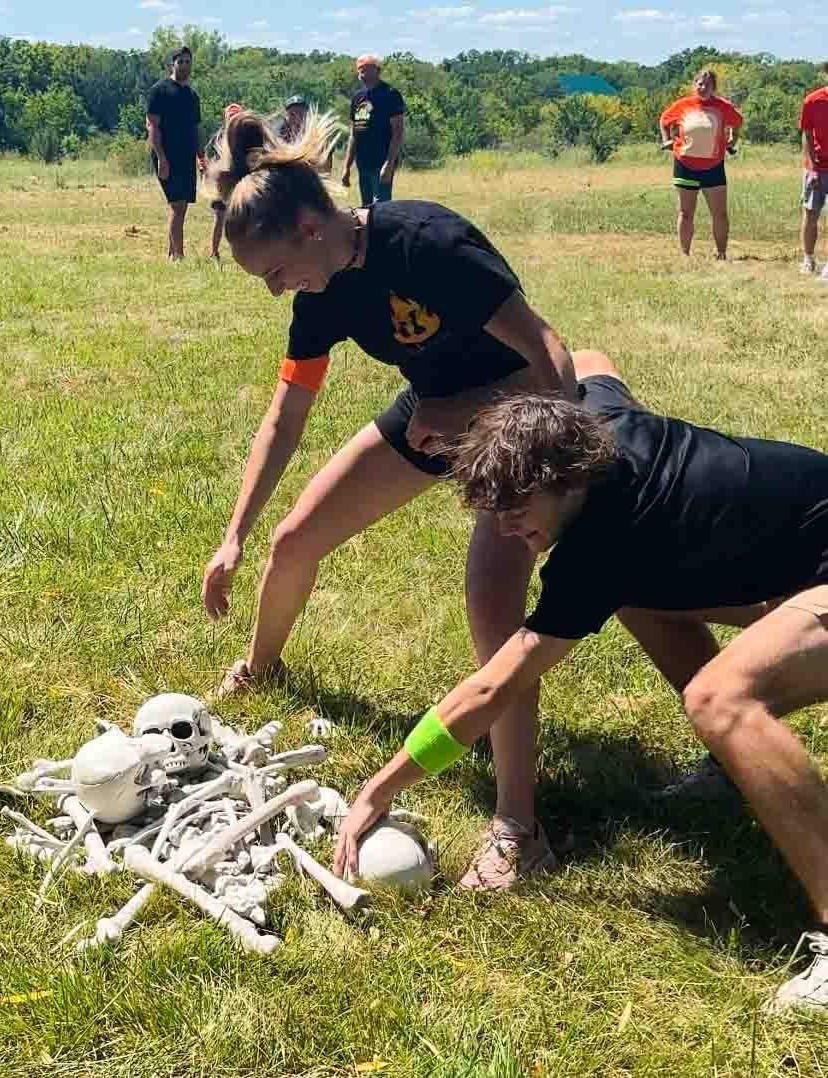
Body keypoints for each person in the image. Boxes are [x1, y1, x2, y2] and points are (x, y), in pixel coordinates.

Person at [201, 109, 653, 888]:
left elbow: (548, 354)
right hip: (437, 411)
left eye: (274, 271)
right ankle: (260, 669)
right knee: (295, 539)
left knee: (490, 598)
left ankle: (519, 824)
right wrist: (234, 533)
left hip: (532, 409)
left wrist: (518, 447)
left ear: (311, 227)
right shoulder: (324, 294)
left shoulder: (427, 242)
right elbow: (288, 415)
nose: (277, 292)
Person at [334, 360, 828, 1014]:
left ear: (558, 479)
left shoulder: (602, 541)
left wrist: (382, 784)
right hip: (801, 559)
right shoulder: (593, 423)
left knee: (721, 698)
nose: (508, 530)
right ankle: (735, 764)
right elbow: (595, 364)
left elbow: (489, 691)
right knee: (640, 597)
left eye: (516, 508)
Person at [659, 69, 742, 260]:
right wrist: (666, 140)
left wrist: (732, 140)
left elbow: (737, 122)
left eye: (708, 85)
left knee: (719, 213)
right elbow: (664, 120)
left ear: (714, 88)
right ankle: (685, 254)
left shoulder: (722, 106)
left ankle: (721, 253)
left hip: (713, 167)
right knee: (685, 213)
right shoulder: (683, 105)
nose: (703, 88)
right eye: (700, 84)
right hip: (685, 165)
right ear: (694, 85)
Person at [146, 47, 204, 261]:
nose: (185, 66)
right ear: (172, 64)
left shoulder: (192, 96)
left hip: (186, 156)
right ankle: (179, 256)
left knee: (181, 207)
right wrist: (161, 158)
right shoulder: (159, 91)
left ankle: (172, 253)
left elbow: (196, 129)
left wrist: (201, 157)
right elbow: (152, 125)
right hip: (166, 156)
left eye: (188, 62)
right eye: (181, 62)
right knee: (177, 205)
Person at [341, 55, 405, 207]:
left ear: (378, 71)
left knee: (381, 209)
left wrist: (389, 164)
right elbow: (354, 134)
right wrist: (346, 167)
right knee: (366, 209)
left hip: (381, 162)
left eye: (368, 71)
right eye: (361, 71)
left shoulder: (390, 94)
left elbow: (398, 131)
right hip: (363, 163)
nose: (364, 75)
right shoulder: (358, 98)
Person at [799, 63, 828, 278]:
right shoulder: (813, 100)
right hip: (817, 166)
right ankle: (808, 259)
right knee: (810, 214)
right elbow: (807, 135)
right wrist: (812, 168)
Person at [208, 103, 244, 261]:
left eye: (236, 115)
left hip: (240, 182)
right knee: (219, 217)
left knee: (241, 219)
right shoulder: (220, 138)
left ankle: (242, 252)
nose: (233, 118)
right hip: (223, 184)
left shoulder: (245, 136)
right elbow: (213, 161)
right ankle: (214, 252)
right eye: (231, 116)